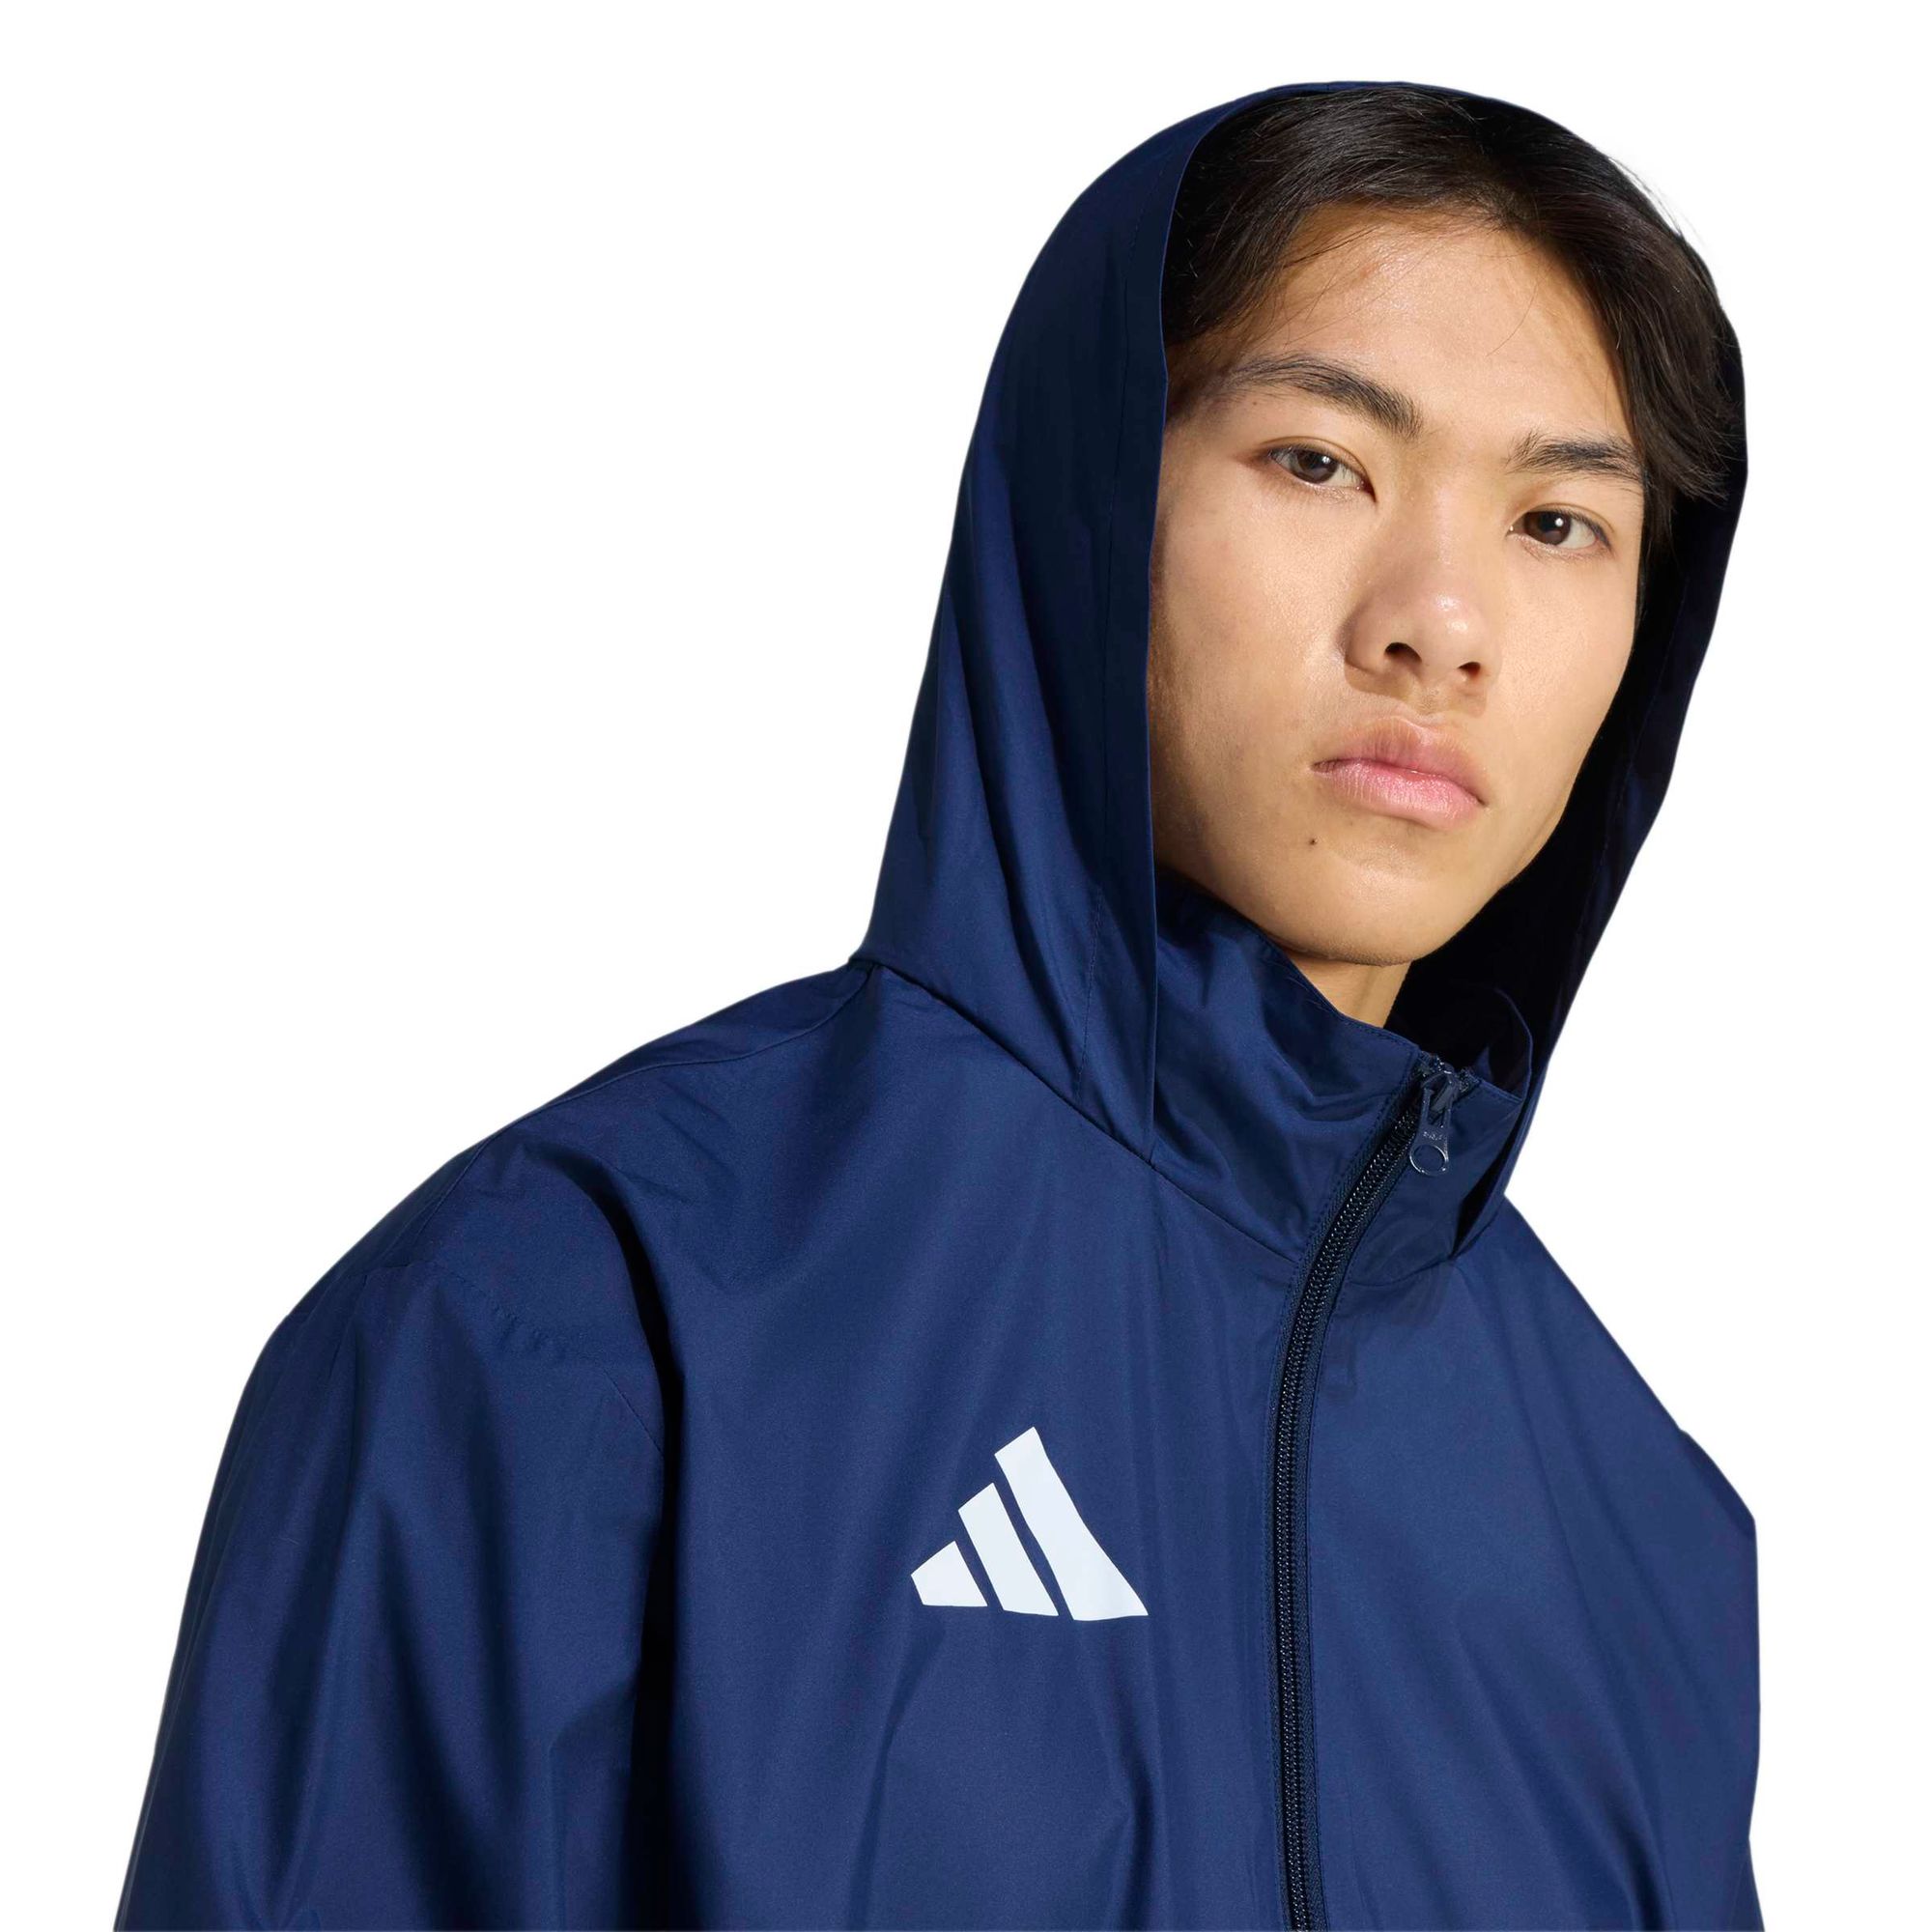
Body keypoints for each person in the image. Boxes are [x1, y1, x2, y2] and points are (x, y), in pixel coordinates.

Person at [115, 77, 1758, 1930]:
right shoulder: (579, 1314)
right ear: (1089, 491)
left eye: (1559, 522)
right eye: (1318, 461)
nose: (1438, 621)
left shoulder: (1645, 1531)